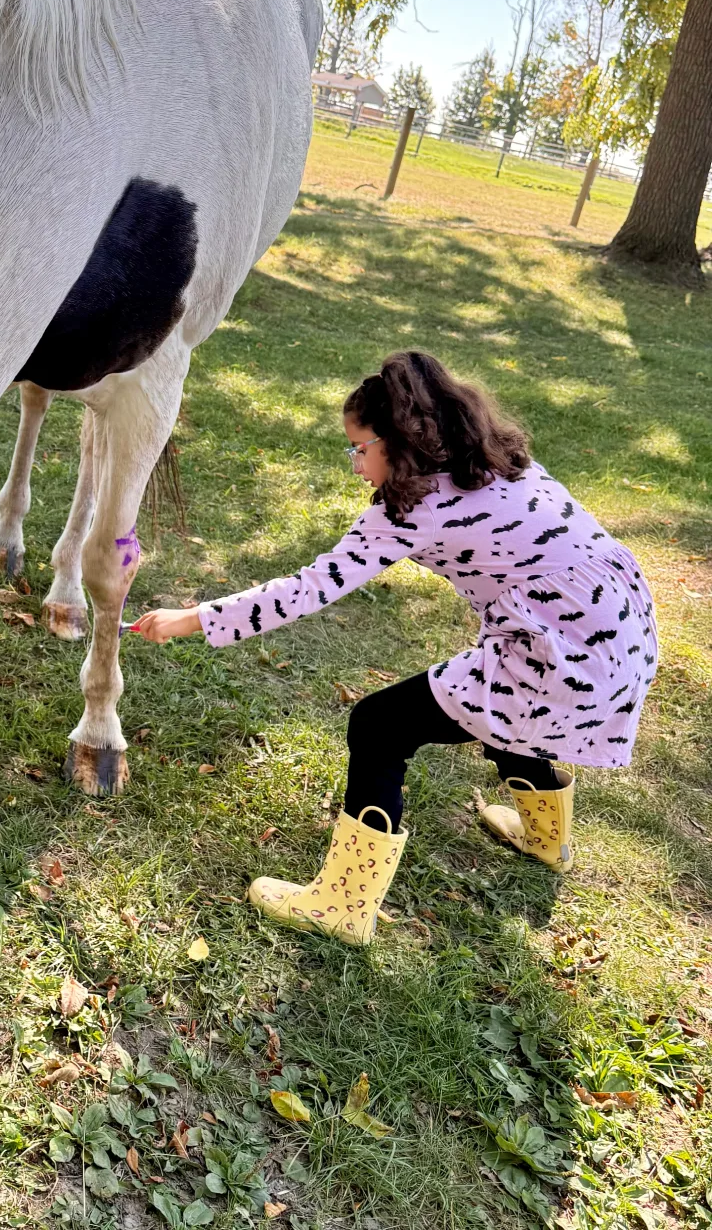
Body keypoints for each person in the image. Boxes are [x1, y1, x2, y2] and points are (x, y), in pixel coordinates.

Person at [134, 350, 657, 945]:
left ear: (401, 441)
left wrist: (191, 619)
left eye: (360, 449)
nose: (356, 465)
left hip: (565, 654)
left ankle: (342, 906)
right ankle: (547, 842)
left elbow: (307, 589)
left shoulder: (413, 509)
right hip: (625, 637)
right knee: (506, 713)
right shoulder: (500, 464)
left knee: (379, 726)